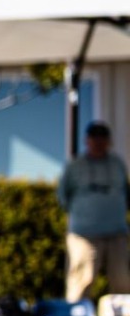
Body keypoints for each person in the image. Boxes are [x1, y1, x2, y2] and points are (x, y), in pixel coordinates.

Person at [59, 121, 130, 302]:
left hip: (116, 233)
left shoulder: (117, 164)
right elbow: (63, 196)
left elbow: (125, 192)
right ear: (87, 140)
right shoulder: (75, 165)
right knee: (83, 280)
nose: (99, 143)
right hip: (84, 235)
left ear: (108, 141)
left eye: (103, 139)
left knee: (122, 282)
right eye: (94, 139)